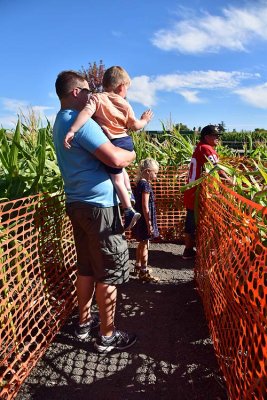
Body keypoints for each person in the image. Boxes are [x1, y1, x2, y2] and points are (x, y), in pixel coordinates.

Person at [53, 70, 137, 353]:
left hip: (76, 204)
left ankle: (84, 324)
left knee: (86, 268)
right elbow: (114, 157)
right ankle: (108, 336)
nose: (93, 95)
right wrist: (132, 155)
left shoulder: (59, 122)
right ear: (76, 92)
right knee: (109, 273)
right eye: (87, 90)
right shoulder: (83, 123)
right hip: (99, 208)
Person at [63, 65, 153, 231]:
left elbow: (85, 114)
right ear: (121, 87)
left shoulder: (97, 99)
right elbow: (135, 126)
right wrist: (145, 120)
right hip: (126, 141)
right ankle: (129, 194)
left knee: (116, 178)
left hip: (113, 142)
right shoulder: (125, 105)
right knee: (122, 170)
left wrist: (72, 129)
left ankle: (128, 210)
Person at [183, 124, 232, 260]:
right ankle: (196, 251)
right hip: (197, 192)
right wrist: (230, 180)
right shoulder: (206, 148)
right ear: (207, 137)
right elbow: (216, 168)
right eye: (215, 136)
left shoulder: (199, 147)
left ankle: (188, 250)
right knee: (196, 221)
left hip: (192, 189)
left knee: (191, 220)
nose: (218, 138)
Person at [131, 158, 160, 282]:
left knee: (141, 243)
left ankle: (138, 265)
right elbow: (145, 205)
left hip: (139, 217)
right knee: (145, 245)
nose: (156, 175)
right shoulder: (146, 185)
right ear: (148, 171)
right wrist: (149, 223)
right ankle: (144, 271)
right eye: (155, 172)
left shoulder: (139, 183)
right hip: (144, 219)